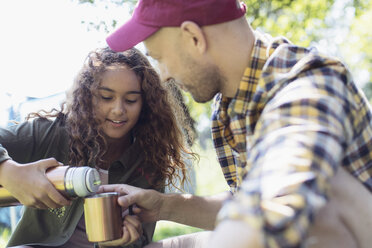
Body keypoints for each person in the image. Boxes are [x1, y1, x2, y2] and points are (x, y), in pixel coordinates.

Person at [99, 0, 372, 247]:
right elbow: (246, 203)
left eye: (160, 58)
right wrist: (162, 206)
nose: (165, 76)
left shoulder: (308, 86)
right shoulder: (230, 104)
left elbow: (279, 205)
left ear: (194, 38)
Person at [0, 47, 194, 247]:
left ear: (146, 104)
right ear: (87, 97)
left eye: (131, 100)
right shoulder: (51, 135)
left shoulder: (150, 159)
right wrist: (7, 170)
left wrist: (123, 242)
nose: (118, 110)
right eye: (106, 97)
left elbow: (142, 238)